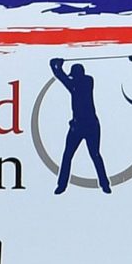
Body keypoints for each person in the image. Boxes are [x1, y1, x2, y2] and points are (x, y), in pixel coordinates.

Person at [48, 56, 108, 195]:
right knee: (71, 155)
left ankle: (104, 184)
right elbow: (62, 76)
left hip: (88, 126)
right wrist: (56, 66)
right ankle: (62, 185)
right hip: (82, 125)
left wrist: (55, 65)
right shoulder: (81, 83)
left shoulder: (84, 82)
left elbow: (61, 76)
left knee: (92, 155)